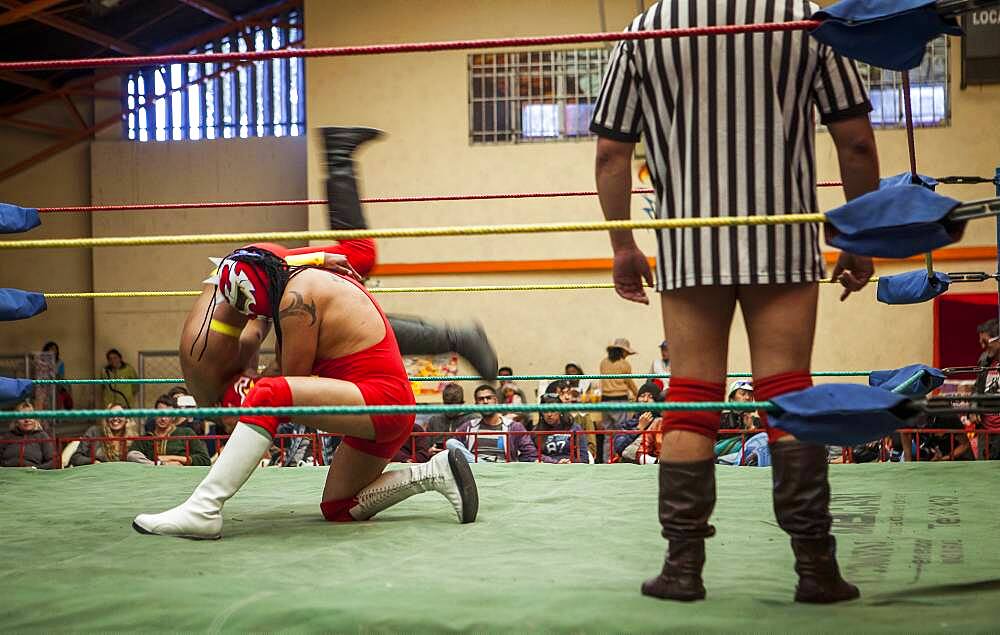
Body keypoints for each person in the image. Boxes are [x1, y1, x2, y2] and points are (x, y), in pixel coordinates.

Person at [592, 1, 877, 603]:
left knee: (691, 397)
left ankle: (682, 570)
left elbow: (611, 152)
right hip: (782, 234)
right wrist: (862, 233)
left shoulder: (647, 29)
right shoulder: (807, 19)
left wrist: (623, 244)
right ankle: (816, 570)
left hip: (689, 240)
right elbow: (854, 141)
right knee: (789, 393)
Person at [133, 245, 479, 539]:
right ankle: (435, 473)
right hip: (382, 412)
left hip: (379, 404)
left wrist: (237, 403)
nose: (256, 318)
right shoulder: (299, 280)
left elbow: (290, 378)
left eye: (255, 312)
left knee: (268, 394)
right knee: (339, 508)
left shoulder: (296, 299)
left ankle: (203, 508)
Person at [177, 127, 496, 414]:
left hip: (253, 268)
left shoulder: (211, 351)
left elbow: (281, 369)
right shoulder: (229, 364)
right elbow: (277, 368)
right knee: (350, 284)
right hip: (251, 277)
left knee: (349, 275)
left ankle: (455, 338)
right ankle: (339, 154)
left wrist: (310, 263)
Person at [450, 384, 536, 463]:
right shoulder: (468, 426)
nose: (485, 402)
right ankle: (481, 464)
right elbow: (452, 445)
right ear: (476, 404)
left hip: (502, 472)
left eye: (489, 398)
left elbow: (530, 453)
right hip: (475, 473)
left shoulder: (514, 427)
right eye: (481, 399)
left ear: (496, 401)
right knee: (450, 443)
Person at [128, 395, 210, 466]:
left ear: (174, 417)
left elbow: (204, 460)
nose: (163, 418)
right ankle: (160, 466)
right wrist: (163, 464)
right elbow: (131, 456)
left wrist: (172, 458)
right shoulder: (146, 437)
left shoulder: (186, 433)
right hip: (151, 477)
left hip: (180, 476)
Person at [598, 338, 638, 463]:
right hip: (620, 401)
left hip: (605, 402)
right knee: (621, 433)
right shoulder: (624, 364)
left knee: (608, 434)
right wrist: (638, 395)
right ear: (622, 351)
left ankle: (607, 461)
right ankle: (618, 460)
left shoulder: (603, 362)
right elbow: (630, 383)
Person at [70, 404, 138, 465]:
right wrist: (92, 461)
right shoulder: (94, 432)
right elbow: (76, 458)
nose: (115, 418)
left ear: (126, 419)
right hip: (97, 474)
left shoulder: (133, 437)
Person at [614, 382, 662, 464]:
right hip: (630, 463)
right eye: (642, 396)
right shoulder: (629, 423)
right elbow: (618, 447)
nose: (645, 400)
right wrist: (639, 428)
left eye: (650, 397)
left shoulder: (661, 422)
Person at [534, 394, 589, 464]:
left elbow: (584, 458)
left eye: (553, 410)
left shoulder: (574, 428)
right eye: (545, 411)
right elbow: (532, 455)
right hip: (546, 469)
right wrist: (554, 462)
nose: (549, 414)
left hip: (571, 469)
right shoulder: (536, 431)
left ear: (560, 411)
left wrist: (571, 462)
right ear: (541, 413)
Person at [424, 382, 477, 451]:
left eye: (454, 404)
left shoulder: (472, 419)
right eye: (447, 404)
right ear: (443, 402)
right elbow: (426, 446)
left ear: (461, 403)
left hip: (462, 458)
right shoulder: (434, 420)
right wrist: (429, 450)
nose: (450, 408)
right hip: (437, 458)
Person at [1, 402, 55, 469]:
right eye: (22, 417)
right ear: (16, 421)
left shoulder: (42, 436)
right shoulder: (8, 436)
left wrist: (37, 469)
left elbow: (52, 462)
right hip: (8, 475)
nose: (27, 420)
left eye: (30, 416)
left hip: (32, 475)